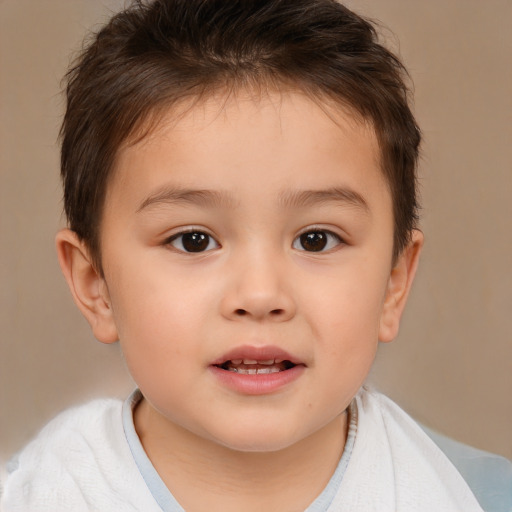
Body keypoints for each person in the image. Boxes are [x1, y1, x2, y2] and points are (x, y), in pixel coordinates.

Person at [1, 1, 510, 510]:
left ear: (394, 282)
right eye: (193, 240)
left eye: (316, 239)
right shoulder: (36, 496)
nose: (261, 295)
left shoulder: (474, 496)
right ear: (96, 286)